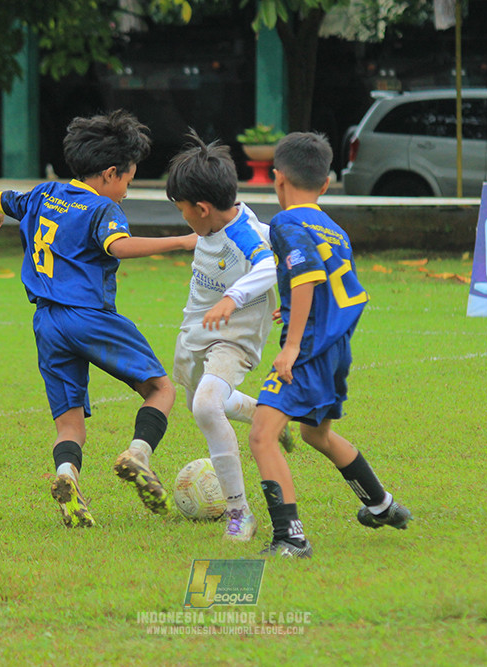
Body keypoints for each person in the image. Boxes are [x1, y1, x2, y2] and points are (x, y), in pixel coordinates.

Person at [0, 109, 196, 528]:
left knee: (69, 423)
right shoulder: (102, 210)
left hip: (46, 323)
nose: (126, 192)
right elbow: (117, 246)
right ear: (111, 173)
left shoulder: (43, 194)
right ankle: (137, 454)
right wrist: (183, 241)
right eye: (128, 181)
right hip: (89, 318)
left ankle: (66, 478)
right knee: (161, 390)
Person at [247, 132, 411, 558]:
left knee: (264, 435)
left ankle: (291, 538)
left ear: (278, 180)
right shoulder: (332, 227)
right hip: (336, 347)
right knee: (316, 433)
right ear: (324, 184)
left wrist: (291, 347)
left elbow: (306, 278)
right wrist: (294, 311)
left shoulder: (286, 222)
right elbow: (326, 283)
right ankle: (381, 504)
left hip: (310, 349)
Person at [165, 130, 294, 542]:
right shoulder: (212, 227)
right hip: (195, 330)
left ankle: (240, 513)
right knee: (199, 400)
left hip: (234, 333)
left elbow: (272, 264)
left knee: (205, 407)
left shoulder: (246, 234)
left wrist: (234, 299)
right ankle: (261, 413)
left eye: (183, 210)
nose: (183, 218)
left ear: (203, 208)